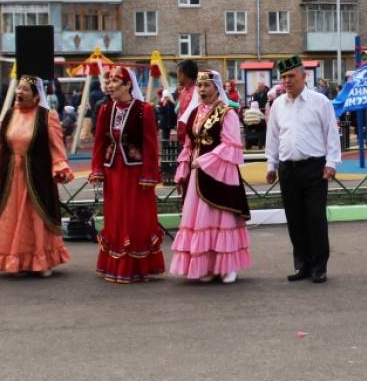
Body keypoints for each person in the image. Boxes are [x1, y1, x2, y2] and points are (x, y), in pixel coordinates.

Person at [0, 75, 74, 277]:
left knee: (36, 217)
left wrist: (60, 167)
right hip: (13, 176)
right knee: (13, 217)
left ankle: (42, 261)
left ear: (36, 96)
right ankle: (18, 260)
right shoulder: (9, 116)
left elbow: (56, 147)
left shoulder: (47, 117)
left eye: (25, 90)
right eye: (18, 89)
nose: (19, 93)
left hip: (37, 176)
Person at [265, 55, 341, 283]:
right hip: (288, 169)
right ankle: (302, 265)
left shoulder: (320, 102)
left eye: (291, 76)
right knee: (295, 218)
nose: (287, 81)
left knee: (315, 218)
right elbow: (273, 138)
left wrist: (331, 163)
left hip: (314, 168)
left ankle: (319, 266)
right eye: (283, 77)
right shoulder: (278, 104)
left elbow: (331, 135)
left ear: (303, 76)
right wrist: (271, 164)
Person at [170, 70, 251, 283]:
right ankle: (208, 266)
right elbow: (189, 144)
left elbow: (231, 144)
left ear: (217, 88)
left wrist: (205, 161)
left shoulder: (227, 113)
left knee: (221, 219)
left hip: (221, 173)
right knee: (201, 222)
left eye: (206, 86)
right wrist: (182, 171)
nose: (202, 90)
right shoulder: (195, 113)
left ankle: (228, 267)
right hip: (198, 175)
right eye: (200, 86)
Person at [91, 66, 165, 283]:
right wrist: (97, 169)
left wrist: (149, 174)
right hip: (113, 170)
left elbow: (151, 144)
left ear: (127, 85)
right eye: (109, 81)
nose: (110, 86)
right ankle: (115, 263)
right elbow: (99, 142)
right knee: (115, 215)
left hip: (135, 172)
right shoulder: (105, 109)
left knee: (135, 216)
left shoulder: (144, 110)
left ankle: (137, 266)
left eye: (115, 82)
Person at [174, 60, 199, 137]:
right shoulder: (183, 91)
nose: (177, 77)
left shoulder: (198, 92)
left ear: (183, 74)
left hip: (193, 136)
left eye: (177, 74)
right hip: (183, 136)